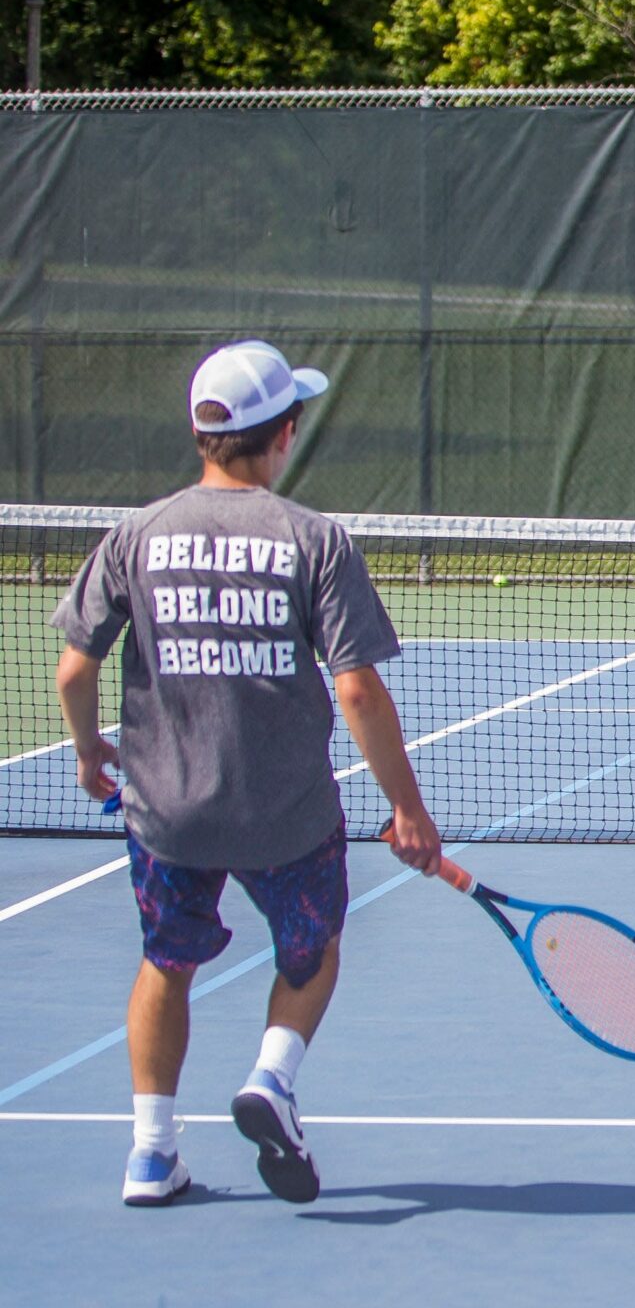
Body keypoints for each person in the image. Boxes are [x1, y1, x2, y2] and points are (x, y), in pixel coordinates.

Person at [52, 340, 446, 1207]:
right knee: (312, 956)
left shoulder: (135, 536)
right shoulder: (314, 540)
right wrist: (407, 810)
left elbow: (74, 670)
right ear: (284, 435)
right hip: (288, 820)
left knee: (166, 962)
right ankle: (272, 1077)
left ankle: (151, 1156)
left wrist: (89, 753)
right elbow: (357, 689)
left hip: (165, 813)